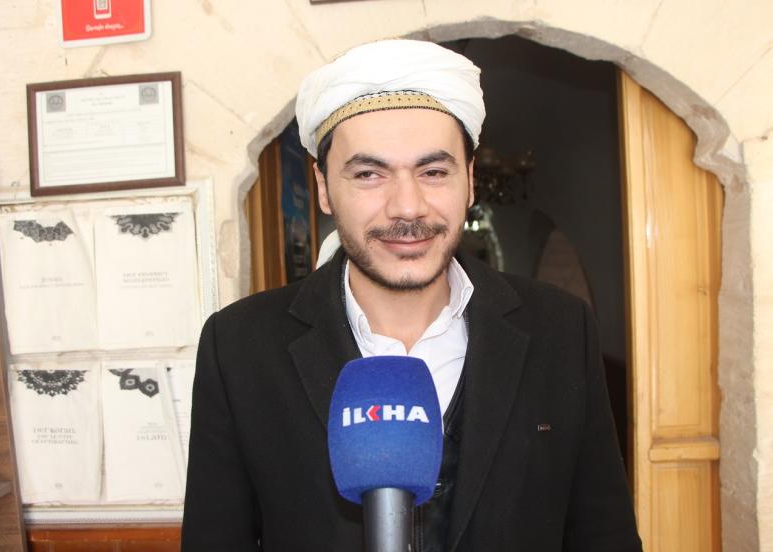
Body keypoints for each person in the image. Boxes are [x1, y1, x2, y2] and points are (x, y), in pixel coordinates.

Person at [181, 39, 642, 551]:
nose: (407, 207)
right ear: (324, 187)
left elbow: (605, 535)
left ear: (470, 181)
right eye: (369, 174)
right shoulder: (240, 347)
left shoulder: (560, 330)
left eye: (433, 172)